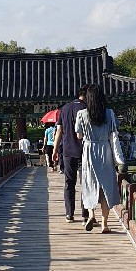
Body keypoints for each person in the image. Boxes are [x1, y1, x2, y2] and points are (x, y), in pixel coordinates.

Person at [75, 84, 125, 233]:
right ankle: (105, 224)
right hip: (105, 150)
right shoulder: (109, 113)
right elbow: (113, 132)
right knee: (105, 188)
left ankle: (91, 214)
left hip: (89, 150)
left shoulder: (82, 114)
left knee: (89, 184)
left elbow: (79, 135)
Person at [52, 85, 89, 223]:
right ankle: (85, 214)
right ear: (86, 96)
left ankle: (69, 214)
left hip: (67, 151)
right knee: (85, 182)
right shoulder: (86, 109)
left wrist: (55, 150)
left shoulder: (64, 109)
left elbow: (59, 131)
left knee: (69, 182)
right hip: (84, 150)